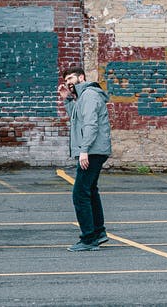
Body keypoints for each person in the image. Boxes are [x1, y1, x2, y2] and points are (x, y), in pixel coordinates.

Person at [58, 67, 112, 252]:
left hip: (92, 151)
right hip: (93, 150)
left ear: (81, 77)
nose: (68, 82)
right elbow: (77, 119)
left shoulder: (89, 95)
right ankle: (98, 232)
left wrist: (84, 150)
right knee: (90, 190)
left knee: (80, 193)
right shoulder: (82, 97)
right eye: (66, 80)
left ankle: (88, 239)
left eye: (71, 78)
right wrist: (67, 98)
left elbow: (90, 124)